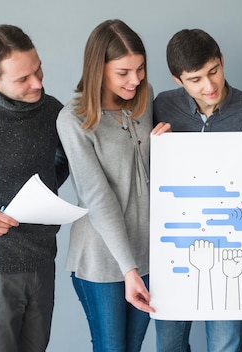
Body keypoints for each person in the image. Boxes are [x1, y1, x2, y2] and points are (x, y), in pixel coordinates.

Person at [153, 28, 242, 352]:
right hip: (174, 249)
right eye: (196, 79)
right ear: (178, 80)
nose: (209, 86)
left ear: (221, 61)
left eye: (214, 72)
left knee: (226, 346)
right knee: (169, 346)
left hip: (233, 249)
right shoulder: (162, 106)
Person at [56, 19, 169, 351]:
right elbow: (97, 197)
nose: (135, 79)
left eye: (140, 68)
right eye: (123, 72)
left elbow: (149, 179)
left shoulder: (144, 105)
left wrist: (166, 148)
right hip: (102, 260)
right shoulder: (73, 119)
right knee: (111, 347)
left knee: (132, 347)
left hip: (149, 254)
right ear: (98, 70)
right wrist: (128, 268)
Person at [0, 24, 68, 351]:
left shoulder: (53, 110)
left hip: (43, 262)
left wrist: (46, 189)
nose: (38, 82)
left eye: (38, 69)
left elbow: (63, 160)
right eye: (23, 79)